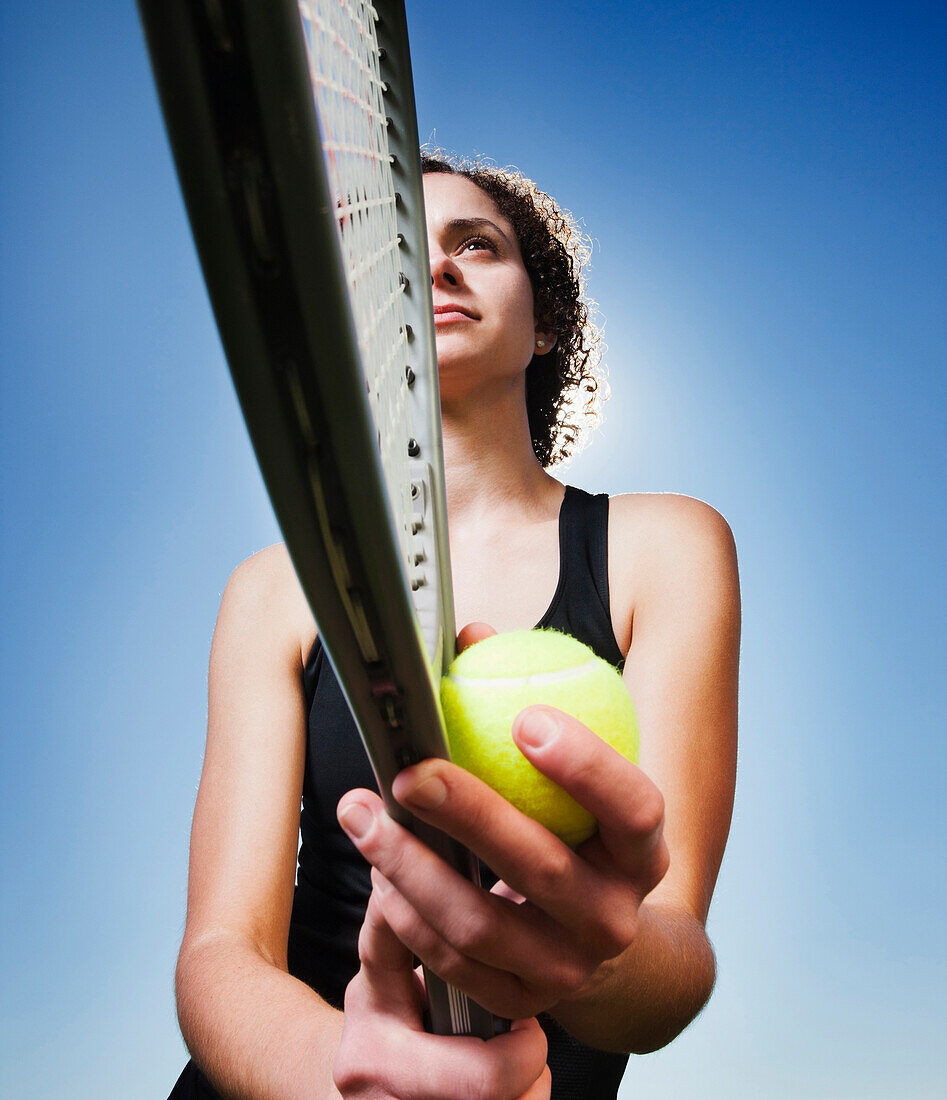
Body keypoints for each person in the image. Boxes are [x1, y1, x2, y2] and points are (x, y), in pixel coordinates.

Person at [168, 153, 740, 1100]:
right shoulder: (274, 589)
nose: (436, 269)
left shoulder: (666, 545)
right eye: (394, 254)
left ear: (545, 318)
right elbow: (221, 952)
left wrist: (597, 959)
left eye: (477, 244)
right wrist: (347, 1073)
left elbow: (672, 950)